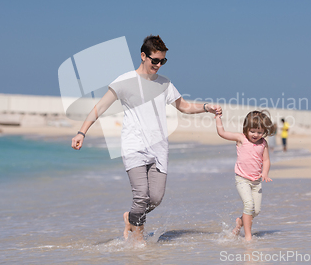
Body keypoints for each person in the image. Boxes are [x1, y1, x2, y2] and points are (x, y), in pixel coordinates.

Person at [71, 35, 221, 242]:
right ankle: (138, 242)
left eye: (163, 61)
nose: (159, 65)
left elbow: (183, 106)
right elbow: (100, 107)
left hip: (159, 147)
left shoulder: (165, 84)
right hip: (134, 146)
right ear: (143, 56)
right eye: (155, 60)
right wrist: (82, 132)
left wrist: (206, 107)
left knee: (156, 198)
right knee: (141, 196)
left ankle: (131, 218)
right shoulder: (124, 82)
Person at [215, 110, 276, 241]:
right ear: (246, 128)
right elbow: (222, 133)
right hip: (242, 179)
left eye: (259, 132)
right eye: (252, 131)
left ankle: (239, 224)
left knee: (256, 211)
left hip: (256, 182)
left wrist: (265, 173)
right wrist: (218, 118)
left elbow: (266, 160)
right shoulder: (241, 138)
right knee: (248, 205)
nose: (256, 135)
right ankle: (248, 236)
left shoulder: (263, 143)